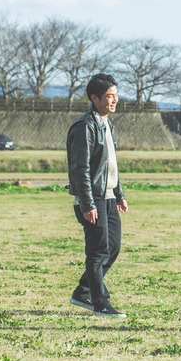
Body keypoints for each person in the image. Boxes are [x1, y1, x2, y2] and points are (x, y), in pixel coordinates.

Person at [66, 73, 128, 317]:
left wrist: (119, 193)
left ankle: (83, 291)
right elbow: (80, 169)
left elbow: (110, 163)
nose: (114, 101)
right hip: (93, 199)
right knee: (98, 251)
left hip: (109, 196)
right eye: (109, 97)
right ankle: (100, 302)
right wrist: (87, 203)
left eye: (116, 96)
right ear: (95, 98)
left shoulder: (106, 123)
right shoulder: (85, 126)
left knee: (113, 248)